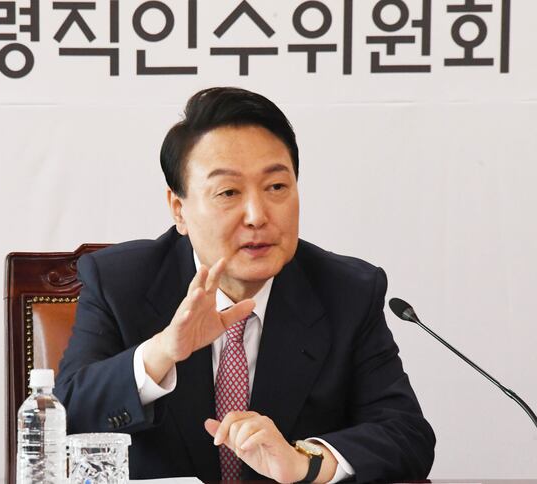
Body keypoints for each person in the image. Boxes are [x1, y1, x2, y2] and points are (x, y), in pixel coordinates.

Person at [55, 87, 435, 483]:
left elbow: (407, 434)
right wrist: (163, 351)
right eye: (228, 192)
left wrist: (305, 462)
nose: (256, 215)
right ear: (179, 209)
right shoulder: (120, 283)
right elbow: (62, 419)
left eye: (276, 187)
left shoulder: (347, 291)